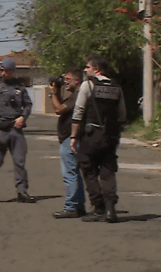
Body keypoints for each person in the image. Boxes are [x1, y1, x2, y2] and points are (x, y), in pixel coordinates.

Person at [70, 55, 126, 223]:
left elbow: (78, 111)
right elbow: (122, 114)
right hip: (111, 136)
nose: (85, 70)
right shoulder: (116, 87)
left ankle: (99, 208)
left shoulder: (88, 85)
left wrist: (73, 136)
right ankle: (111, 209)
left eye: (88, 67)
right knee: (108, 172)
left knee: (89, 170)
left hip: (91, 134)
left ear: (97, 69)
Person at [0, 57, 36, 204]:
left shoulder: (19, 87)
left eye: (5, 70)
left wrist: (23, 117)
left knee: (19, 161)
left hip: (15, 129)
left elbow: (28, 105)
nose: (3, 73)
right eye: (1, 70)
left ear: (12, 71)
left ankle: (22, 191)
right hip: (0, 130)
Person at [50, 69, 87, 219]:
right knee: (75, 173)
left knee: (69, 173)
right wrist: (57, 92)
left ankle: (71, 207)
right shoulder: (75, 96)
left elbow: (59, 109)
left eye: (68, 79)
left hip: (70, 139)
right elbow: (61, 106)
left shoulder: (78, 96)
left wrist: (53, 93)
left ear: (77, 80)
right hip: (74, 138)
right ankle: (79, 205)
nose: (65, 82)